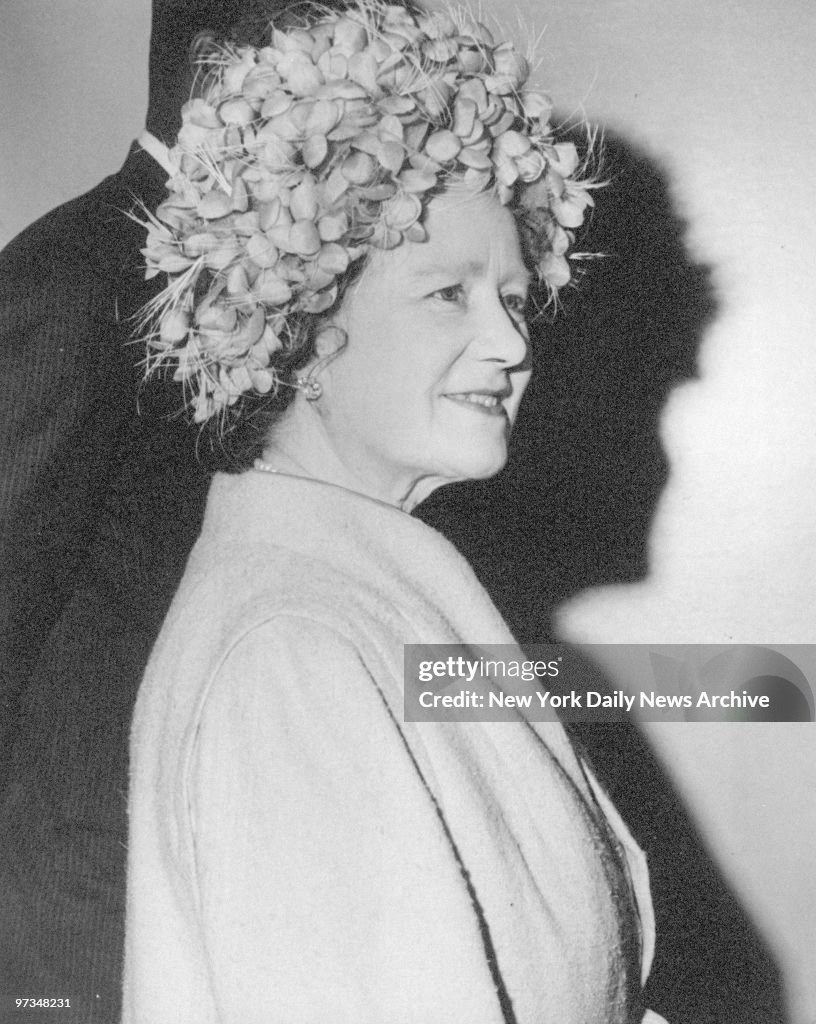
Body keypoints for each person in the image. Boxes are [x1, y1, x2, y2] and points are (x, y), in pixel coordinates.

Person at [122, 4, 668, 1021]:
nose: (512, 345)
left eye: (512, 297)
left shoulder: (365, 597)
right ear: (301, 326)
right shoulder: (295, 653)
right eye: (448, 294)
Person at [0, 3, 292, 1021]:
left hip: (172, 864)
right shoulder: (77, 278)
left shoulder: (239, 273)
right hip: (67, 905)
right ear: (223, 75)